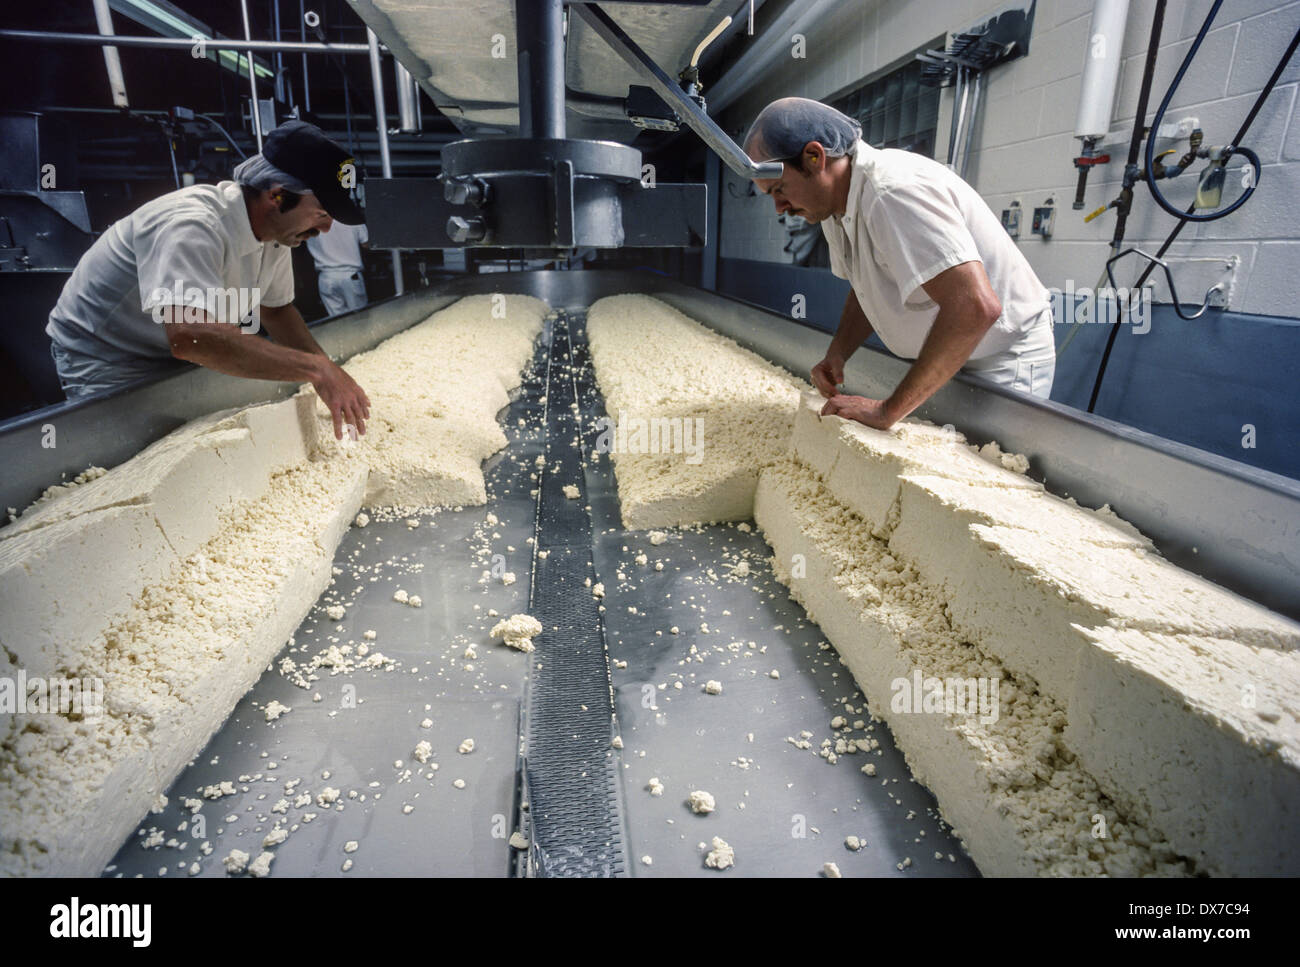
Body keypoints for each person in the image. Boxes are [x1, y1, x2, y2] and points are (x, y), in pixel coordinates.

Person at [744, 97, 1056, 430]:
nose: (779, 208)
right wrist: (838, 353)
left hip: (1001, 360)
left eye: (779, 189)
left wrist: (886, 411)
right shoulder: (834, 208)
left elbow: (975, 306)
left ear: (814, 157)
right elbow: (867, 287)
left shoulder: (891, 192)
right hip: (957, 356)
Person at [45, 120, 370, 439]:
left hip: (169, 349)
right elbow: (191, 337)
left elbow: (277, 311)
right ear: (277, 196)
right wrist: (315, 369)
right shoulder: (192, 226)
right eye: (323, 214)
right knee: (123, 460)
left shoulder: (276, 233)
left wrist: (328, 372)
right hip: (109, 355)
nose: (326, 230)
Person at [307, 220, 369, 316]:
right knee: (360, 320)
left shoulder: (308, 219)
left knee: (338, 323)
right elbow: (366, 244)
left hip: (326, 278)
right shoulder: (351, 216)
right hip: (350, 275)